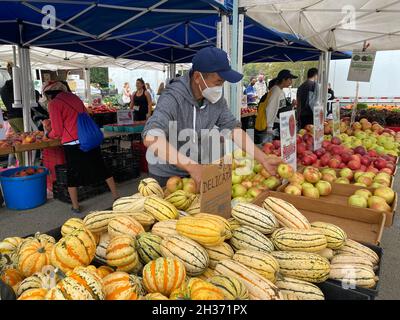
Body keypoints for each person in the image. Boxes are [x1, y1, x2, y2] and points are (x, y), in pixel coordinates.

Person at [142, 46, 282, 188]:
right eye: (218, 82)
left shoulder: (216, 99)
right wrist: (191, 166)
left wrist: (263, 158)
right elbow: (151, 137)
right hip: (167, 174)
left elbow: (233, 129)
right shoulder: (172, 97)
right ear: (197, 77)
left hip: (198, 169)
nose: (220, 87)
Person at [42, 81, 119, 214]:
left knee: (73, 173)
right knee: (100, 166)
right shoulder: (75, 98)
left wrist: (48, 133)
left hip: (72, 142)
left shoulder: (53, 104)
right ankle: (116, 196)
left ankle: (76, 206)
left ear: (49, 94)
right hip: (88, 138)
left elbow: (58, 131)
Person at [0, 62, 24, 165]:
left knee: (18, 141)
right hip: (20, 116)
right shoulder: (16, 86)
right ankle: (25, 163)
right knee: (26, 141)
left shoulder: (3, 89)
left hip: (11, 117)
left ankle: (20, 162)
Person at [265, 69, 298, 140]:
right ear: (283, 80)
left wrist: (291, 105)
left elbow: (281, 107)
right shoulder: (276, 91)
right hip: (276, 125)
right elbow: (271, 109)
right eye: (290, 79)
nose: (291, 82)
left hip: (280, 123)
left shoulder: (280, 91)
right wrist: (269, 127)